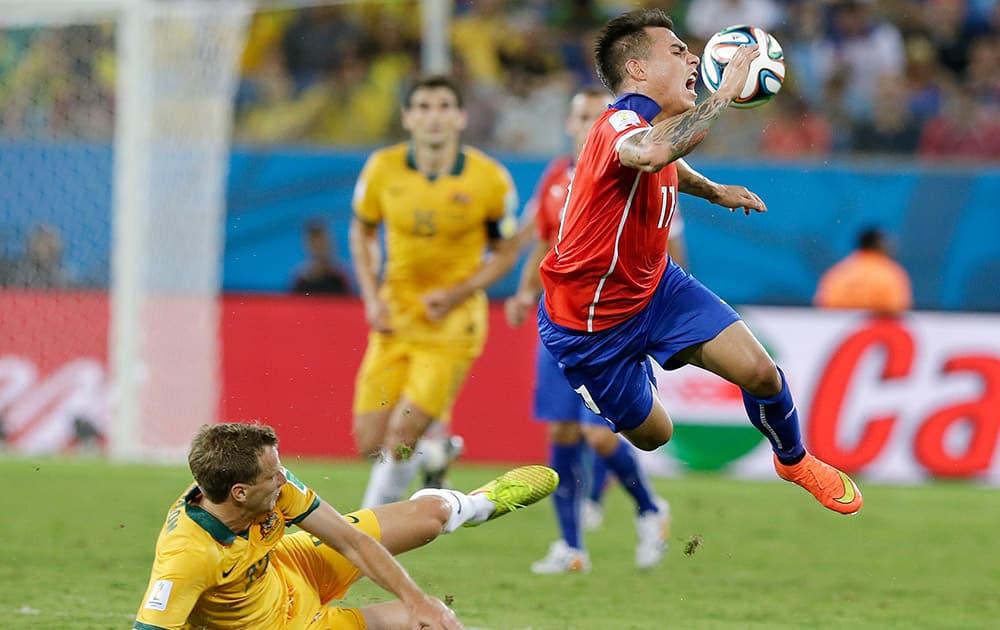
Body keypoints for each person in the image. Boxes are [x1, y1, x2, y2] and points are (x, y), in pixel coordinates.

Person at [536, 9, 863, 516]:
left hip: (656, 289)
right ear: (638, 70)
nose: (694, 58)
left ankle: (793, 460)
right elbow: (649, 154)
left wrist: (712, 190)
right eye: (677, 51)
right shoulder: (617, 124)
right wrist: (724, 94)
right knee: (653, 436)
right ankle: (631, 379)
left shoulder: (652, 127)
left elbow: (668, 160)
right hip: (588, 326)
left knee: (761, 373)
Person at [133, 422, 558, 630]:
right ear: (240, 492)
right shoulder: (187, 557)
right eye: (273, 474)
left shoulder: (267, 487)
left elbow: (352, 543)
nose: (284, 478)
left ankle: (477, 505)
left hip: (292, 565)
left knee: (431, 519)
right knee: (435, 624)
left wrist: (414, 597)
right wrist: (420, 611)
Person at [506, 87, 680, 574]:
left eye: (595, 115)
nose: (587, 124)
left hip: (614, 322)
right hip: (560, 319)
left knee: (601, 437)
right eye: (579, 115)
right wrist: (523, 292)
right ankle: (571, 547)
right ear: (568, 123)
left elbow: (666, 243)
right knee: (562, 429)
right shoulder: (556, 178)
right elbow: (545, 240)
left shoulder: (637, 171)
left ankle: (649, 507)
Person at [349, 75, 519, 508]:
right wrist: (371, 297)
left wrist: (459, 293)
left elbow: (504, 253)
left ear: (460, 117)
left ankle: (368, 531)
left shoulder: (489, 179)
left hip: (452, 325)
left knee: (400, 436)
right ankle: (436, 445)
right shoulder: (382, 169)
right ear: (408, 118)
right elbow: (363, 231)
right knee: (369, 440)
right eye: (423, 107)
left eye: (444, 106)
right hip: (395, 317)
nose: (433, 117)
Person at [814, 227, 913, 315]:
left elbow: (823, 307)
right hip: (876, 333)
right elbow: (897, 311)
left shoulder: (838, 273)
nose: (892, 246)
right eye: (887, 243)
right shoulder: (890, 274)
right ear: (878, 245)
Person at [290, 218, 353, 296]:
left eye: (322, 243)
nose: (318, 247)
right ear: (306, 245)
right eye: (313, 243)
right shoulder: (300, 281)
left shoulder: (341, 278)